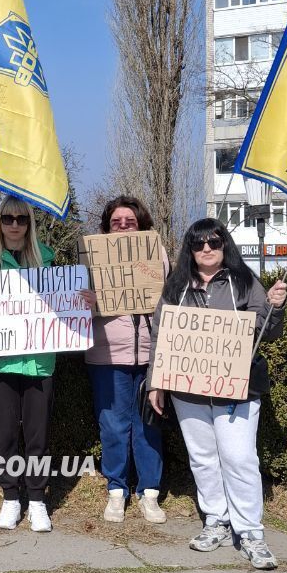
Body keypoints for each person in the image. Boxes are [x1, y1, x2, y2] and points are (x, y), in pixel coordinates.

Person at [147, 218, 287, 570]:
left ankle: (251, 532)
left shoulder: (244, 281)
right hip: (187, 390)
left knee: (239, 458)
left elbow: (267, 332)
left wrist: (274, 305)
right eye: (198, 244)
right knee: (203, 458)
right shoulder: (176, 286)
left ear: (225, 245)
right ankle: (217, 521)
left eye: (214, 242)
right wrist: (155, 381)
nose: (206, 249)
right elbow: (160, 336)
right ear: (189, 250)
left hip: (236, 390)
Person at [0, 196, 62, 533]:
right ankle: (10, 497)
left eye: (22, 218)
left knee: (37, 435)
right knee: (4, 433)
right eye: (8, 218)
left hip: (39, 362)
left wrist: (81, 299)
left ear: (30, 223)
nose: (15, 225)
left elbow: (61, 305)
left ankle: (36, 499)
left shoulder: (46, 258)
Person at [84, 196, 168, 525]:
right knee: (113, 426)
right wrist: (89, 301)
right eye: (116, 222)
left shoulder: (157, 252)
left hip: (150, 353)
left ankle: (149, 493)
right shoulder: (92, 259)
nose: (122, 227)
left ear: (141, 225)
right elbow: (77, 309)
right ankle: (116, 492)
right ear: (106, 228)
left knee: (149, 423)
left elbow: (169, 300)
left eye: (129, 222)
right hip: (107, 355)